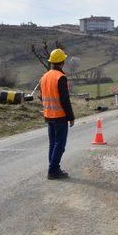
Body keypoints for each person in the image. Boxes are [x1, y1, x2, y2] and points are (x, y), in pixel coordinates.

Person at [40, 48, 75, 180]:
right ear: (62, 62)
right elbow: (65, 100)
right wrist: (71, 117)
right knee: (59, 145)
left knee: (53, 143)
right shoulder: (60, 77)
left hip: (48, 115)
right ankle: (53, 171)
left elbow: (42, 96)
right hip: (60, 116)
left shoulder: (44, 77)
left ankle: (54, 168)